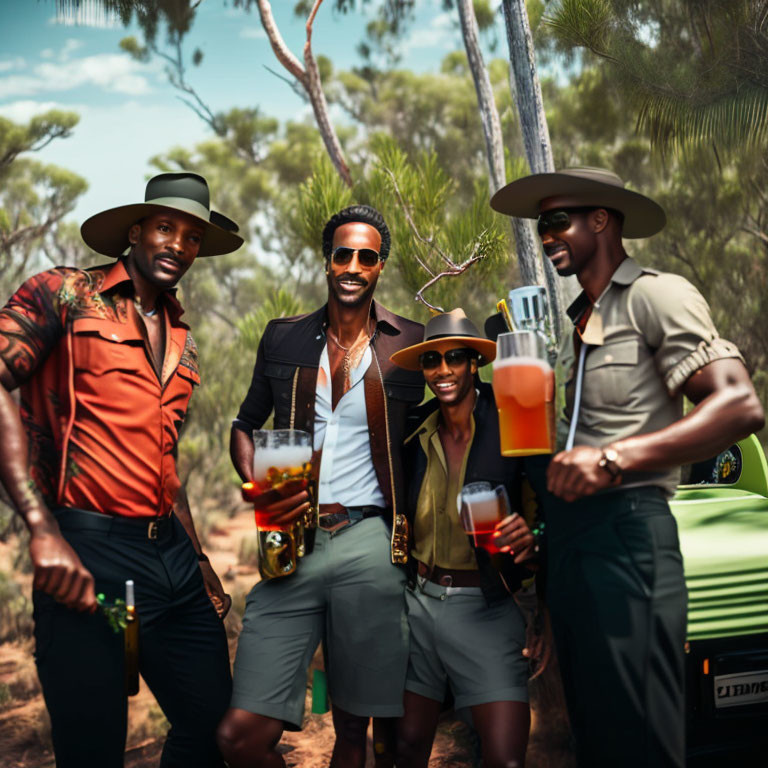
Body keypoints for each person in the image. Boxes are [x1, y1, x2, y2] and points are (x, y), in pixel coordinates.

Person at [490, 166, 766, 767]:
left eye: (558, 220)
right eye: (541, 225)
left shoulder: (656, 295)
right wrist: (543, 534)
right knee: (599, 739)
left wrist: (615, 459)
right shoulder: (578, 325)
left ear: (601, 219)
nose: (546, 235)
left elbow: (740, 404)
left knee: (643, 742)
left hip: (632, 538)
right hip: (577, 551)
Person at [0, 172, 242, 767]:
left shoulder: (183, 339)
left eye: (191, 237)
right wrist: (40, 527)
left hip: (173, 563)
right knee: (93, 749)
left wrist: (202, 561)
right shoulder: (66, 292)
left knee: (215, 728)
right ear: (135, 232)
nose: (178, 246)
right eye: (166, 228)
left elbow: (165, 463)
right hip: (89, 557)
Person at [217, 204, 425, 768]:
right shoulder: (283, 339)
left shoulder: (409, 344)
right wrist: (255, 480)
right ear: (327, 260)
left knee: (355, 731)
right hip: (292, 541)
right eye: (343, 253)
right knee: (240, 736)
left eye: (367, 255)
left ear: (380, 265)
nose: (354, 265)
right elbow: (243, 426)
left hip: (370, 542)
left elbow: (440, 426)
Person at [389, 309, 539, 768]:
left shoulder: (513, 417)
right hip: (420, 604)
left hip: (488, 609)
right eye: (432, 361)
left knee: (505, 758)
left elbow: (550, 508)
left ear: (474, 363)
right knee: (408, 745)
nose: (444, 370)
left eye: (456, 357)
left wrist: (536, 535)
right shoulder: (414, 433)